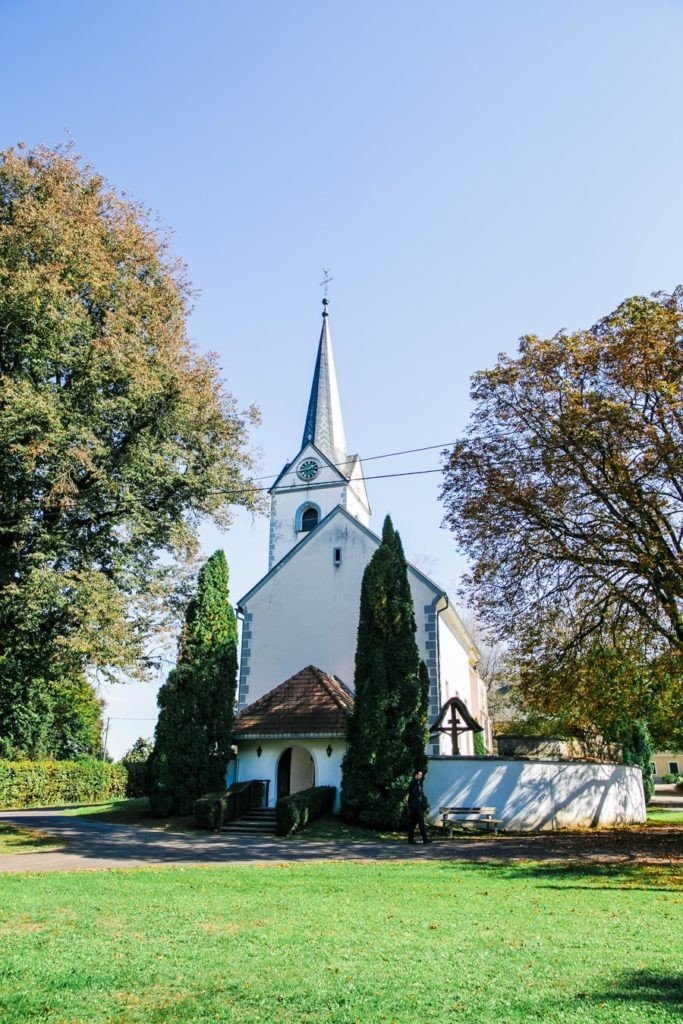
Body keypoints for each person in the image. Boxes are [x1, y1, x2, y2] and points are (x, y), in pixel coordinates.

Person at [407, 769, 430, 844]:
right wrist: (411, 802)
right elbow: (412, 794)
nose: (420, 776)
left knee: (412, 823)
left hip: (414, 805)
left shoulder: (416, 782)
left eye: (421, 775)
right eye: (419, 774)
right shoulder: (414, 783)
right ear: (416, 775)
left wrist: (410, 803)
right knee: (421, 822)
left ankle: (410, 839)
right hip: (416, 806)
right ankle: (425, 839)